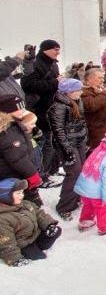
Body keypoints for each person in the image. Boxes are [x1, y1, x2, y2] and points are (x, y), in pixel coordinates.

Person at [21, 39, 62, 187]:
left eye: (59, 49)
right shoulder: (36, 63)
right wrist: (55, 82)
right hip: (39, 109)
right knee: (42, 143)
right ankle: (40, 176)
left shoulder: (53, 63)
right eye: (55, 49)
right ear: (45, 50)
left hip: (51, 108)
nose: (58, 52)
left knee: (51, 142)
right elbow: (28, 85)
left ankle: (49, 170)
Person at [46, 78, 88, 220]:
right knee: (74, 172)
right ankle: (64, 206)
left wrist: (84, 138)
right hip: (67, 144)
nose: (81, 92)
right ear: (69, 92)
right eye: (78, 90)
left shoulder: (77, 101)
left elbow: (81, 122)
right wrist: (67, 151)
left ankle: (75, 199)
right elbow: (58, 131)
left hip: (79, 141)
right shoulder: (58, 107)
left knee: (81, 171)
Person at [74, 127, 106, 235]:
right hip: (96, 189)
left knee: (88, 204)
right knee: (103, 208)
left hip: (85, 185)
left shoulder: (101, 146)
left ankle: (85, 221)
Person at [0, 178, 61, 267]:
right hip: (21, 244)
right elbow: (6, 242)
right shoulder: (3, 218)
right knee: (40, 259)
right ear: (6, 196)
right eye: (18, 193)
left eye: (22, 192)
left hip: (33, 235)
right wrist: (15, 259)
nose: (22, 195)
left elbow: (39, 214)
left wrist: (49, 225)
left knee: (56, 231)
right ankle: (32, 250)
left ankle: (37, 247)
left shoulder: (25, 204)